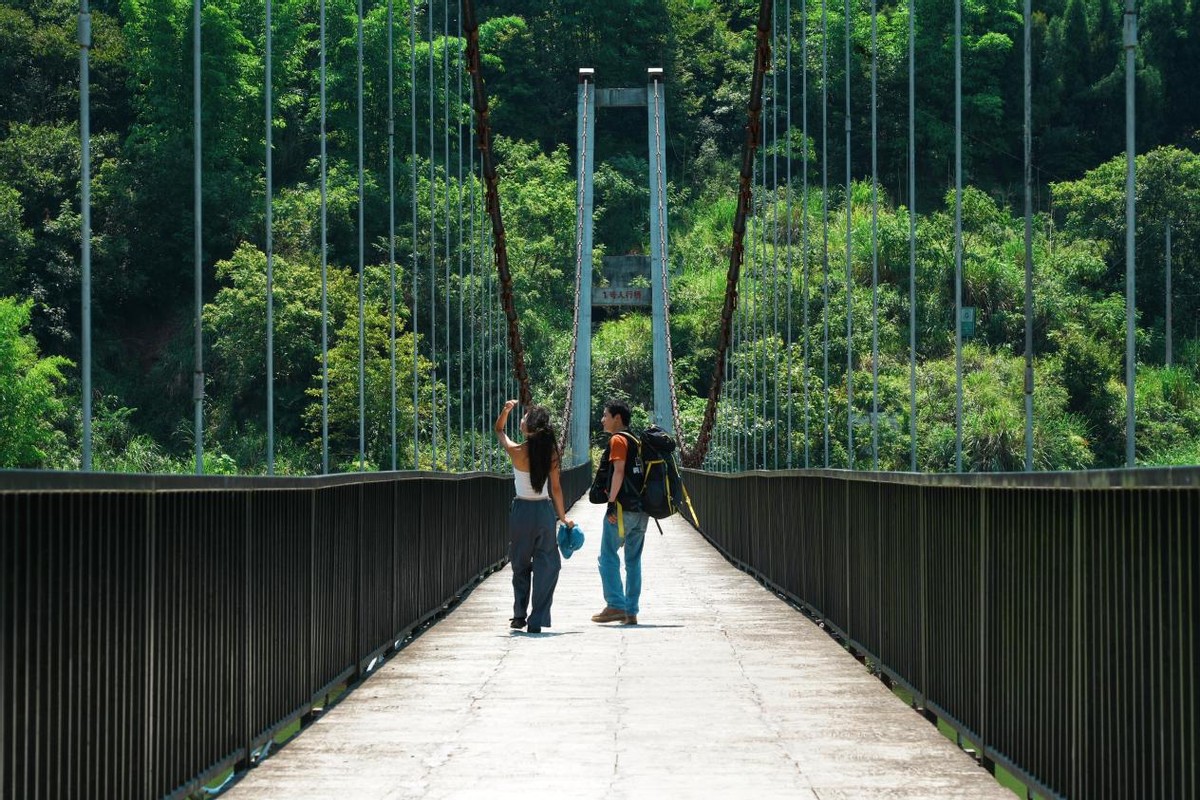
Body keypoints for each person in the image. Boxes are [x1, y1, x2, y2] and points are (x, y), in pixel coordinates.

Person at [494, 399, 573, 634]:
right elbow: (556, 488)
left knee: (519, 563)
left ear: (528, 427)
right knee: (547, 565)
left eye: (524, 417)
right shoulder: (551, 454)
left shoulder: (516, 451)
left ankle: (519, 615)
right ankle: (536, 618)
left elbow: (499, 430)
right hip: (544, 512)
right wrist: (563, 518)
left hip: (521, 512)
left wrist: (505, 411)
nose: (521, 419)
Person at [591, 400, 650, 626]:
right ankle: (630, 611)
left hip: (622, 509)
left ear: (617, 418)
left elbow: (618, 472)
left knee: (607, 555)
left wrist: (611, 503)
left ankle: (615, 604)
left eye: (605, 415)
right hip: (641, 511)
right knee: (633, 561)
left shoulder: (618, 440)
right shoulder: (637, 441)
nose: (602, 420)